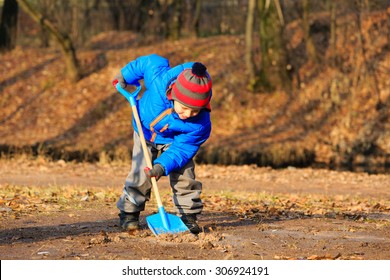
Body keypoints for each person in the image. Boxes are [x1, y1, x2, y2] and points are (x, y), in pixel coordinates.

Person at [112, 54, 212, 234]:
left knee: (185, 174)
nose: (187, 114)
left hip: (175, 141)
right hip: (145, 131)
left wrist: (161, 166)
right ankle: (129, 212)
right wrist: (125, 76)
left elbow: (182, 149)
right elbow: (150, 61)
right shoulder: (159, 80)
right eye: (183, 108)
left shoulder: (200, 124)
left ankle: (187, 216)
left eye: (194, 110)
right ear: (172, 95)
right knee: (140, 172)